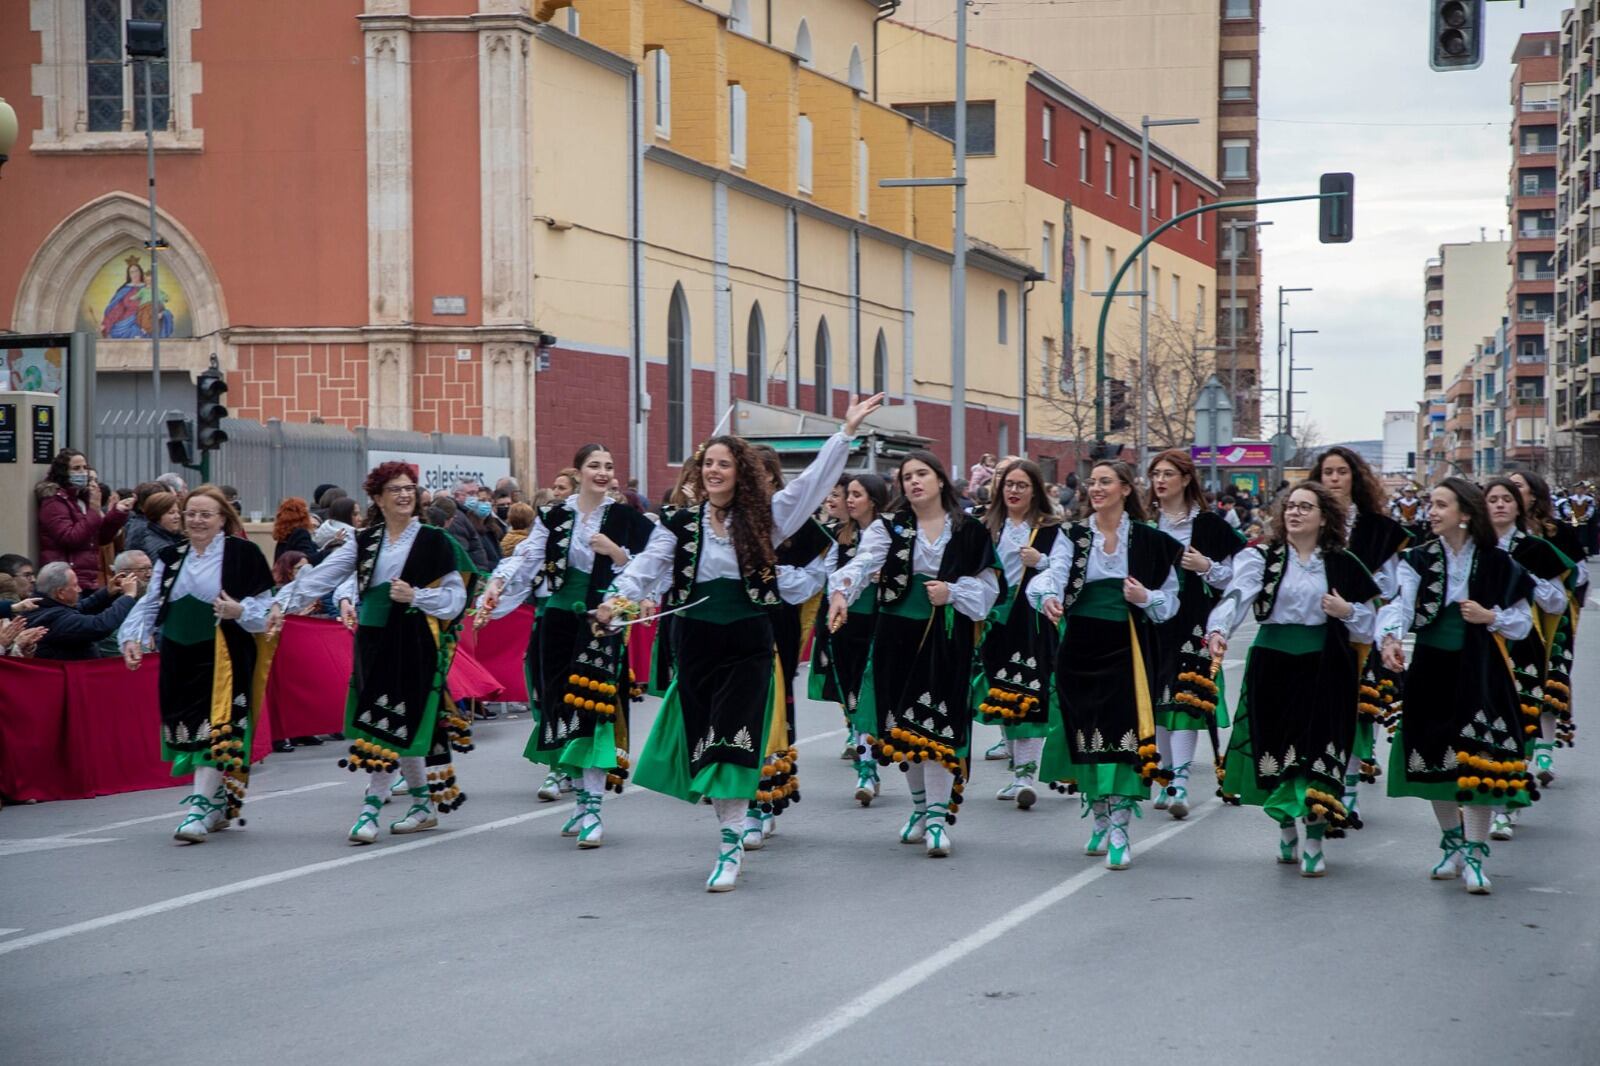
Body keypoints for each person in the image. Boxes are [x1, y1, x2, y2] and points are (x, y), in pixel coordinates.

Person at [601, 393, 882, 890]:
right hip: (694, 644)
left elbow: (813, 484)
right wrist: (614, 602)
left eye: (723, 463)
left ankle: (730, 847)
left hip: (748, 642)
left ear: (740, 472)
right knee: (707, 746)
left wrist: (845, 433)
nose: (713, 471)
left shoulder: (765, 518)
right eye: (707, 463)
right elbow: (646, 570)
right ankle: (731, 826)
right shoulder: (679, 524)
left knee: (733, 740)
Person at [279, 462, 477, 844]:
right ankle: (422, 803)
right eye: (395, 489)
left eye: (409, 488)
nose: (405, 495)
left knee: (386, 722)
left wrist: (416, 596)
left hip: (413, 639)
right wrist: (278, 603)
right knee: (390, 721)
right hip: (371, 640)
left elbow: (456, 599)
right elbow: (323, 576)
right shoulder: (363, 540)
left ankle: (371, 807)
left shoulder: (435, 540)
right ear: (377, 498)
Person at [477, 444, 656, 846]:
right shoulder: (554, 515)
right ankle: (578, 797)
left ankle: (593, 807)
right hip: (556, 620)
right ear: (578, 472)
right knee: (558, 706)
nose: (604, 472)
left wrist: (616, 553)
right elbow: (526, 558)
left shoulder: (626, 517)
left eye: (609, 466)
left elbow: (654, 564)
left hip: (600, 621)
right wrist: (497, 586)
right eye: (595, 465)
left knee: (593, 708)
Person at [829, 448, 1003, 859]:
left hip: (945, 636)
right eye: (907, 477)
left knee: (938, 725)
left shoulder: (969, 530)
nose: (914, 482)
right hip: (896, 635)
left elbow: (989, 588)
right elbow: (862, 562)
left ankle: (939, 818)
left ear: (940, 480)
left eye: (922, 473)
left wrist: (952, 592)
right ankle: (922, 809)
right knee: (904, 727)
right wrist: (841, 591)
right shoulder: (890, 527)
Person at [1205, 481, 1379, 877]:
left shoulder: (1342, 562)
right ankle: (1286, 826)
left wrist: (1345, 609)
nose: (1295, 513)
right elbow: (1236, 596)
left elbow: (1369, 627)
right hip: (1273, 661)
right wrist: (1218, 630)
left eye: (1305, 507)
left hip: (1324, 664)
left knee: (1317, 750)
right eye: (1290, 506)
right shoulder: (1261, 558)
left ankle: (1314, 841)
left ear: (1324, 517)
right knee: (1277, 748)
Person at [1378, 478, 1535, 896]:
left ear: (1465, 513)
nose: (1431, 511)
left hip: (1480, 667)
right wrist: (1390, 638)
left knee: (1480, 757)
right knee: (1434, 756)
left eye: (1440, 505)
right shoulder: (1416, 559)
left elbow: (1523, 623)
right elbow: (1400, 603)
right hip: (1431, 665)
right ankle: (1452, 844)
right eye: (1430, 504)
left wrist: (1491, 617)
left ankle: (1476, 853)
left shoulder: (1499, 563)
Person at [1029, 460, 1183, 870]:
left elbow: (1170, 601)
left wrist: (1145, 598)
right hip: (1080, 642)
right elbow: (1054, 573)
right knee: (1086, 727)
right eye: (1092, 482)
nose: (1096, 488)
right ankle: (1098, 813)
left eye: (1105, 482)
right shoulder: (1074, 536)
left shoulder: (1151, 541)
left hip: (1129, 645)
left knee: (1125, 730)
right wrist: (1048, 596)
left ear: (1126, 489)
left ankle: (1119, 826)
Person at [118, 487, 280, 842]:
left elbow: (267, 612)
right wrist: (132, 637)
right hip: (179, 654)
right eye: (190, 513)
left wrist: (239, 611)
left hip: (224, 655)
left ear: (223, 518)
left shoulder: (243, 554)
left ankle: (197, 808)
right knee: (188, 728)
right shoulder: (171, 555)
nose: (196, 520)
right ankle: (218, 799)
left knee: (216, 726)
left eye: (205, 514)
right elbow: (151, 603)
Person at [1308, 446, 1410, 831]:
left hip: (1360, 630)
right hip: (1317, 629)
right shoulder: (1310, 522)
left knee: (1356, 712)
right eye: (1327, 472)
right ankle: (1322, 783)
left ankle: (1348, 792)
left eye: (1341, 472)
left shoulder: (1378, 530)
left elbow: (1391, 588)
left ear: (1355, 477)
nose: (1334, 479)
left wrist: (1383, 632)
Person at [1147, 449, 1247, 818]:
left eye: (1168, 473)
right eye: (1155, 473)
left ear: (1187, 479)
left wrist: (1206, 566)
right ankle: (1165, 775)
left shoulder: (1209, 525)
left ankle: (1181, 780)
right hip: (1152, 621)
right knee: (1157, 699)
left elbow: (1241, 574)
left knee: (1186, 699)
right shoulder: (1144, 523)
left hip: (1194, 622)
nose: (1160, 480)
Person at [1483, 477, 1577, 841]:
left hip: (1524, 645)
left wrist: (1528, 580)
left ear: (1520, 507)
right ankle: (1477, 799)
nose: (1501, 505)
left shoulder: (1536, 549)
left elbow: (1557, 602)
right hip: (1481, 646)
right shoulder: (1475, 548)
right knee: (1482, 725)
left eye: (1507, 499)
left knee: (1517, 726)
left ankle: (1507, 807)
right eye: (1492, 499)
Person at [974, 458, 1068, 810]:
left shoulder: (1051, 528)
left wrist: (1040, 561)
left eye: (1021, 485)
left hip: (1032, 617)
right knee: (1001, 692)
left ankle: (1025, 776)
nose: (1013, 491)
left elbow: (1065, 566)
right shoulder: (987, 525)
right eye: (1009, 485)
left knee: (1030, 687)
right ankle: (1018, 770)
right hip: (995, 618)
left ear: (1035, 490)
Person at [1507, 471, 1586, 781]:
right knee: (1520, 682)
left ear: (1533, 495)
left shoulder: (1558, 532)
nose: (1508, 497)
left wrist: (1564, 601)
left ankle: (1545, 749)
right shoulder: (1500, 534)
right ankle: (1521, 747)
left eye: (1516, 488)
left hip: (1553, 615)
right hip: (1513, 617)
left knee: (1551, 679)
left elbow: (1578, 575)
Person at [811, 474, 890, 781]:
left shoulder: (894, 534)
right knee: (852, 691)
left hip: (882, 619)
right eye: (849, 494)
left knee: (872, 688)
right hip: (847, 621)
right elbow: (828, 578)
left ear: (873, 498)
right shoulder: (840, 536)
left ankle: (869, 759)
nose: (849, 500)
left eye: (856, 494)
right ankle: (865, 760)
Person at [37, 449, 132, 592]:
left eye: (85, 468)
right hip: (66, 580)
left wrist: (117, 513)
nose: (82, 472)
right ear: (63, 472)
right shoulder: (54, 501)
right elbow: (70, 537)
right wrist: (94, 510)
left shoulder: (82, 499)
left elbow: (100, 538)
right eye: (76, 468)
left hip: (88, 578)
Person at [29, 561, 137, 661]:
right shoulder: (53, 619)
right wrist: (128, 596)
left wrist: (107, 593)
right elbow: (99, 626)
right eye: (75, 585)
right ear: (60, 593)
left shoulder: (42, 606)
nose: (79, 590)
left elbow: (81, 608)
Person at [272, 497, 340, 565]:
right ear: (302, 516)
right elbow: (310, 559)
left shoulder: (284, 535)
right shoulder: (300, 533)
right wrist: (332, 550)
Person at [127, 491, 185, 559]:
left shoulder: (171, 536)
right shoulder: (157, 545)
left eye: (178, 512)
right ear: (157, 515)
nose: (177, 516)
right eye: (171, 513)